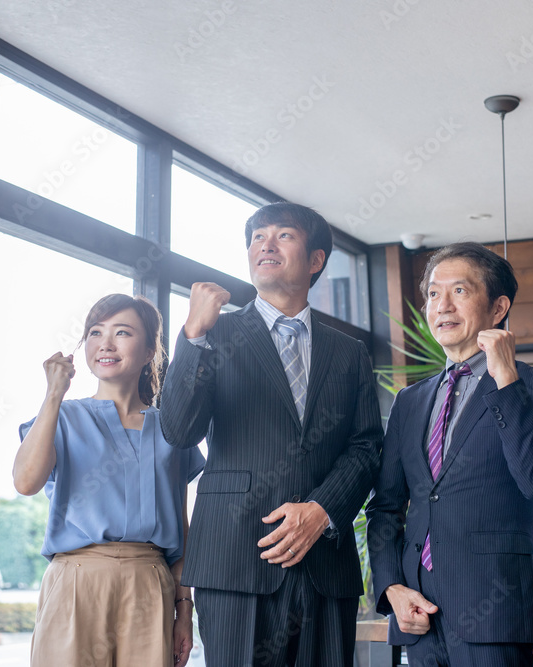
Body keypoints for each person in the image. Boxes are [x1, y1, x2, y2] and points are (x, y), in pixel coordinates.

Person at [159, 202, 382, 667]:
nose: (266, 244)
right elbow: (179, 430)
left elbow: (366, 446)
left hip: (325, 562)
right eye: (258, 237)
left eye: (284, 235)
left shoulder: (349, 352)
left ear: (316, 259)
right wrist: (193, 334)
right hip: (236, 556)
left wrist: (321, 510)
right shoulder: (213, 334)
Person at [367, 241, 533, 666]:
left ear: (498, 308)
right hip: (418, 612)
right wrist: (391, 588)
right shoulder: (409, 401)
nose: (442, 306)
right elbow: (385, 507)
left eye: (459, 290)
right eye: (433, 293)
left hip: (493, 611)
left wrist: (505, 377)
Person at [13, 293, 203, 667]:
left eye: (122, 332)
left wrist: (185, 611)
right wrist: (53, 395)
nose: (105, 344)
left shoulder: (171, 429)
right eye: (95, 332)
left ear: (149, 351)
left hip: (150, 584)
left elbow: (182, 533)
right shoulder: (63, 417)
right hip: (76, 583)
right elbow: (25, 482)